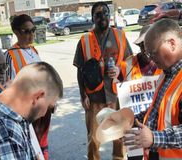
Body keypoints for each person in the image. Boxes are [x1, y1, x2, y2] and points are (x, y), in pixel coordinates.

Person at [73, 2, 133, 160]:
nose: (102, 17)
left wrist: (120, 70)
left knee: (121, 135)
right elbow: (80, 69)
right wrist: (82, 95)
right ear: (93, 17)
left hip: (116, 95)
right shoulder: (84, 40)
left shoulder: (120, 36)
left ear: (110, 15)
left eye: (105, 13)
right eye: (98, 14)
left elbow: (130, 61)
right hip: (94, 97)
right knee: (94, 138)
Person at [124, 19, 182, 160]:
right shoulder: (166, 72)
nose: (151, 59)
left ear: (172, 44)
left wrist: (154, 138)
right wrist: (133, 119)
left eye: (153, 53)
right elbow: (157, 111)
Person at [4, 14, 51, 159]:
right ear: (16, 32)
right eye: (26, 31)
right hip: (26, 112)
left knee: (42, 144)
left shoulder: (33, 51)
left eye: (33, 30)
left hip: (42, 108)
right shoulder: (10, 55)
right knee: (31, 146)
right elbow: (8, 88)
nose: (31, 35)